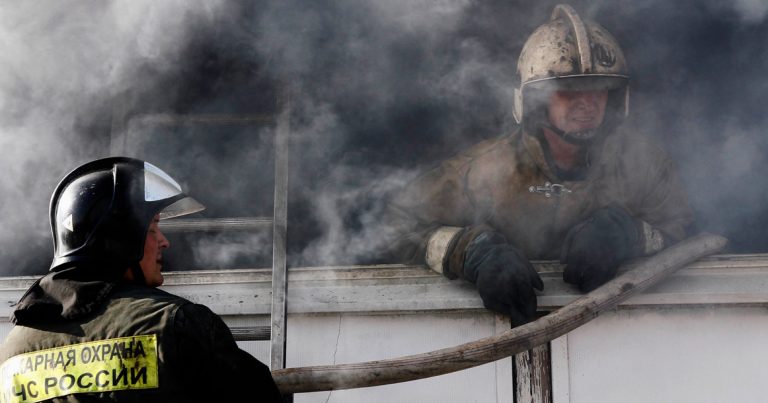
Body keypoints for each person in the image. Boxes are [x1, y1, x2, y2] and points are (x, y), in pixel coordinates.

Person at [384, 4, 693, 326]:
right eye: (569, 91)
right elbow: (396, 225)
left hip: (615, 333)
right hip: (505, 339)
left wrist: (630, 236)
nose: (586, 104)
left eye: (598, 90)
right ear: (536, 101)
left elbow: (683, 230)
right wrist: (468, 251)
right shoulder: (480, 171)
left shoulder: (644, 165)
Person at [0, 157, 283, 402]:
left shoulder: (12, 350)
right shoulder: (175, 323)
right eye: (153, 228)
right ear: (121, 238)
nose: (164, 242)